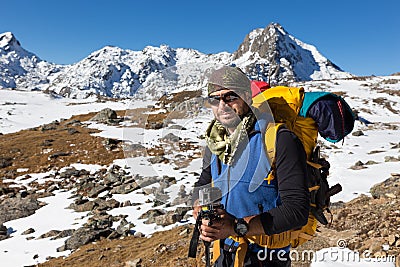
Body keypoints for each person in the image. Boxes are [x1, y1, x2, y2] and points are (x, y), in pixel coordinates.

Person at [192, 66, 310, 267]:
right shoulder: (215, 143)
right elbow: (203, 184)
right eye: (214, 99)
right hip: (224, 252)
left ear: (247, 96)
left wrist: (237, 227)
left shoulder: (278, 139)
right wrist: (199, 208)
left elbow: (297, 210)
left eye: (231, 97)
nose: (223, 106)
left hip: (267, 257)